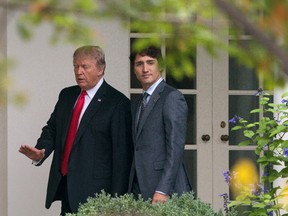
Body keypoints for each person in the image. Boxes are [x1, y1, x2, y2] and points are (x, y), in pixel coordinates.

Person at [19, 45, 133, 215]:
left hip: (97, 196)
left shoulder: (117, 103)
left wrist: (117, 204)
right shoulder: (67, 95)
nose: (79, 71)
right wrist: (41, 151)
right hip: (66, 186)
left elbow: (121, 158)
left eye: (85, 67)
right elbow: (52, 129)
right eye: (75, 66)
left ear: (100, 69)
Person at [128, 45, 192, 204]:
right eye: (139, 64)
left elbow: (175, 148)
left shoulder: (171, 97)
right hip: (139, 185)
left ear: (161, 66)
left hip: (163, 188)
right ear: (134, 69)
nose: (145, 69)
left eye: (150, 62)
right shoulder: (138, 103)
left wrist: (163, 189)